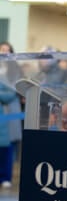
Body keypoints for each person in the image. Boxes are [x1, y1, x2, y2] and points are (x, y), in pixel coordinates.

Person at [0, 42, 24, 188]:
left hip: (9, 113)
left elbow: (12, 93)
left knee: (7, 148)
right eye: (2, 50)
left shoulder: (15, 71)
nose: (4, 53)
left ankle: (6, 177)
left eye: (7, 51)